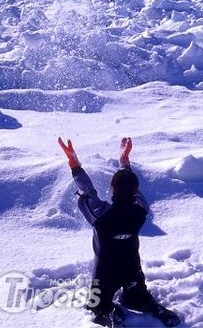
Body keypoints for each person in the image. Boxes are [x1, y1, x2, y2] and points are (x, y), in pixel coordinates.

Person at [57, 137, 181, 327]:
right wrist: (125, 164)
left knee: (96, 304)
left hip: (106, 273)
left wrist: (75, 165)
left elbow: (87, 191)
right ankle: (146, 304)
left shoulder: (101, 215)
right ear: (135, 190)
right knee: (137, 296)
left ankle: (108, 313)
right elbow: (132, 190)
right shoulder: (140, 210)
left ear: (111, 188)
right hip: (132, 269)